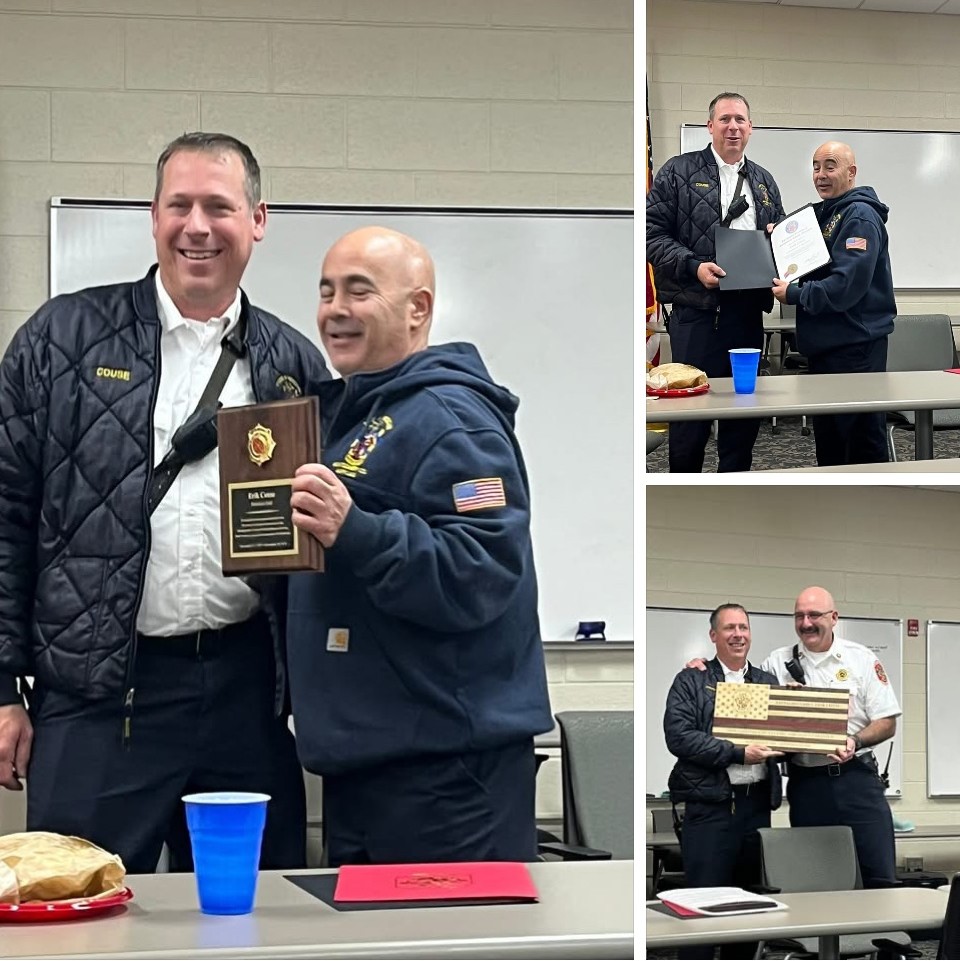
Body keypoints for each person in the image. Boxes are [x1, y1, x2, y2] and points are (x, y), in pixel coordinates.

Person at [0, 132, 331, 873]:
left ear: (257, 219)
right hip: (96, 700)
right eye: (179, 205)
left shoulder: (292, 366)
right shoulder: (60, 340)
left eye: (219, 206)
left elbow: (320, 551)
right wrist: (1, 689)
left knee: (249, 922)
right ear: (153, 218)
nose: (198, 226)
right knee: (73, 923)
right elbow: (5, 516)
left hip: (246, 701)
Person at [285, 226, 553, 866]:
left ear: (419, 309)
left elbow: (484, 569)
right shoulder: (356, 416)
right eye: (326, 292)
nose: (335, 310)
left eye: (359, 291)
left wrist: (357, 531)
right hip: (372, 763)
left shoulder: (452, 419)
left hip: (445, 778)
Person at [685, 586, 900, 888]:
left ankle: (885, 933)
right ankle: (824, 936)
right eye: (799, 616)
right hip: (806, 783)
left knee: (879, 873)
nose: (806, 622)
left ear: (834, 617)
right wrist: (703, 667)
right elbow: (740, 683)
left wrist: (856, 741)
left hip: (856, 780)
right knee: (815, 876)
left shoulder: (860, 659)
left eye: (814, 614)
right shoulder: (776, 663)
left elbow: (887, 722)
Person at [646, 92, 784, 473]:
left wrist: (778, 238)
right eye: (724, 119)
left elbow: (781, 239)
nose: (733, 126)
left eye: (740, 119)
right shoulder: (678, 171)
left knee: (743, 413)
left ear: (751, 128)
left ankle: (735, 482)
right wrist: (694, 266)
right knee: (690, 415)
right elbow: (650, 233)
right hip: (697, 314)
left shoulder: (764, 182)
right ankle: (682, 486)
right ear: (710, 126)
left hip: (745, 316)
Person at [664, 604, 783, 960]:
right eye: (729, 628)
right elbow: (679, 737)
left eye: (744, 627)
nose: (738, 634)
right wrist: (736, 752)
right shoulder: (691, 680)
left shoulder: (767, 682)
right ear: (713, 636)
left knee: (747, 905)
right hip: (710, 807)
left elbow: (783, 737)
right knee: (700, 906)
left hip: (756, 806)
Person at [772, 142, 896, 466]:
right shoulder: (827, 213)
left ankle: (871, 511)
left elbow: (846, 287)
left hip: (854, 350)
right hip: (830, 347)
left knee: (860, 445)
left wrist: (796, 294)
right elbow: (811, 260)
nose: (821, 175)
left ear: (851, 172)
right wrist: (778, 238)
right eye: (816, 167)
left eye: (830, 166)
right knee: (831, 442)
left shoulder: (860, 217)